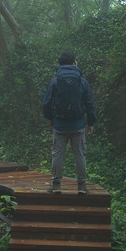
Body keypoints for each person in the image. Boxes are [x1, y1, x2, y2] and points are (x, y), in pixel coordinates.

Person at [41, 50, 96, 195]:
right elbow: (90, 104)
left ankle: (56, 185)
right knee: (80, 154)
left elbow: (46, 103)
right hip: (78, 125)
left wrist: (50, 118)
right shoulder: (82, 81)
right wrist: (91, 122)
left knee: (58, 154)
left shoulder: (55, 81)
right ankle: (82, 186)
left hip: (59, 125)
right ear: (74, 63)